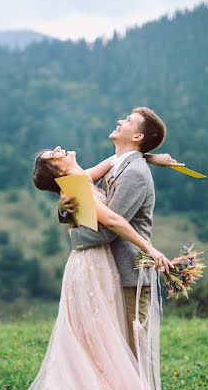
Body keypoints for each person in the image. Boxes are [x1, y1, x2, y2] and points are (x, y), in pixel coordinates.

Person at [14, 143, 174, 390]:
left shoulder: (81, 178)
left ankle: (105, 387)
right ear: (59, 170)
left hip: (92, 261)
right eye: (54, 154)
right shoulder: (76, 186)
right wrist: (151, 249)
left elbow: (115, 160)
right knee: (96, 330)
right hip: (91, 264)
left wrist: (151, 158)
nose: (60, 148)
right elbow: (113, 221)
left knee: (97, 332)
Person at [59, 107, 183, 356]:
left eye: (128, 120)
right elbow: (87, 195)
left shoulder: (135, 174)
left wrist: (74, 236)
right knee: (110, 352)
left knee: (133, 348)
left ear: (137, 137)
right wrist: (64, 210)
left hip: (129, 274)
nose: (119, 120)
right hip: (108, 272)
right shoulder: (116, 164)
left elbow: (109, 229)